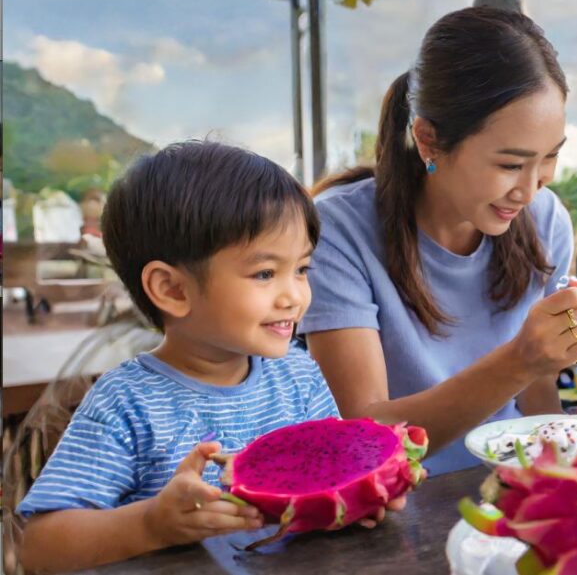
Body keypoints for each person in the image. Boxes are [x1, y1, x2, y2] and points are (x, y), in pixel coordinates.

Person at [14, 141, 384, 573]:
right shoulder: (127, 402)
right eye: (265, 273)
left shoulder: (298, 374)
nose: (295, 296)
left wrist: (358, 497)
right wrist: (151, 525)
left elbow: (333, 474)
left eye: (301, 269)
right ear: (172, 290)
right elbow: (40, 547)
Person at [301, 6, 577, 475]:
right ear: (429, 141)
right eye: (509, 164)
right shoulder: (338, 232)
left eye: (550, 157)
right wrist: (519, 361)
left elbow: (537, 405)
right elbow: (363, 437)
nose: (530, 188)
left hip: (506, 486)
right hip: (392, 507)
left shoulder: (545, 221)